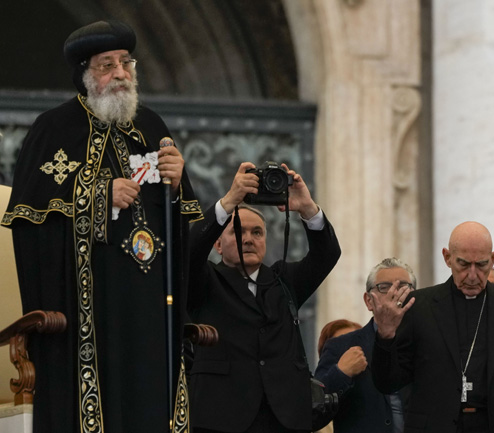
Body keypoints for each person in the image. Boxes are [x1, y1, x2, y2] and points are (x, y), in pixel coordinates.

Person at [1, 20, 202, 433]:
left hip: (148, 306)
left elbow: (180, 225)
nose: (122, 74)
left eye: (126, 63)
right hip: (86, 313)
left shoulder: (151, 128)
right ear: (84, 74)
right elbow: (29, 221)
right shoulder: (53, 130)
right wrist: (96, 195)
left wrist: (177, 182)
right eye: (107, 65)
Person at [186, 162, 341, 433]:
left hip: (283, 417)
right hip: (220, 418)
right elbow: (190, 251)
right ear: (218, 245)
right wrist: (229, 201)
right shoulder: (206, 279)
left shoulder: (283, 280)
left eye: (256, 232)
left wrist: (307, 208)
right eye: (238, 232)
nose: (248, 239)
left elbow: (326, 254)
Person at [371, 222, 494, 433]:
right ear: (447, 257)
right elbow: (388, 382)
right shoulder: (418, 306)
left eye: (481, 265)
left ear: (493, 258)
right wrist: (385, 335)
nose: (472, 275)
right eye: (463, 264)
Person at [315, 258, 415, 433]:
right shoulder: (341, 346)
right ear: (368, 301)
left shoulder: (428, 342)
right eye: (384, 287)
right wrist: (340, 373)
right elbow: (313, 414)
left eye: (403, 287)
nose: (394, 293)